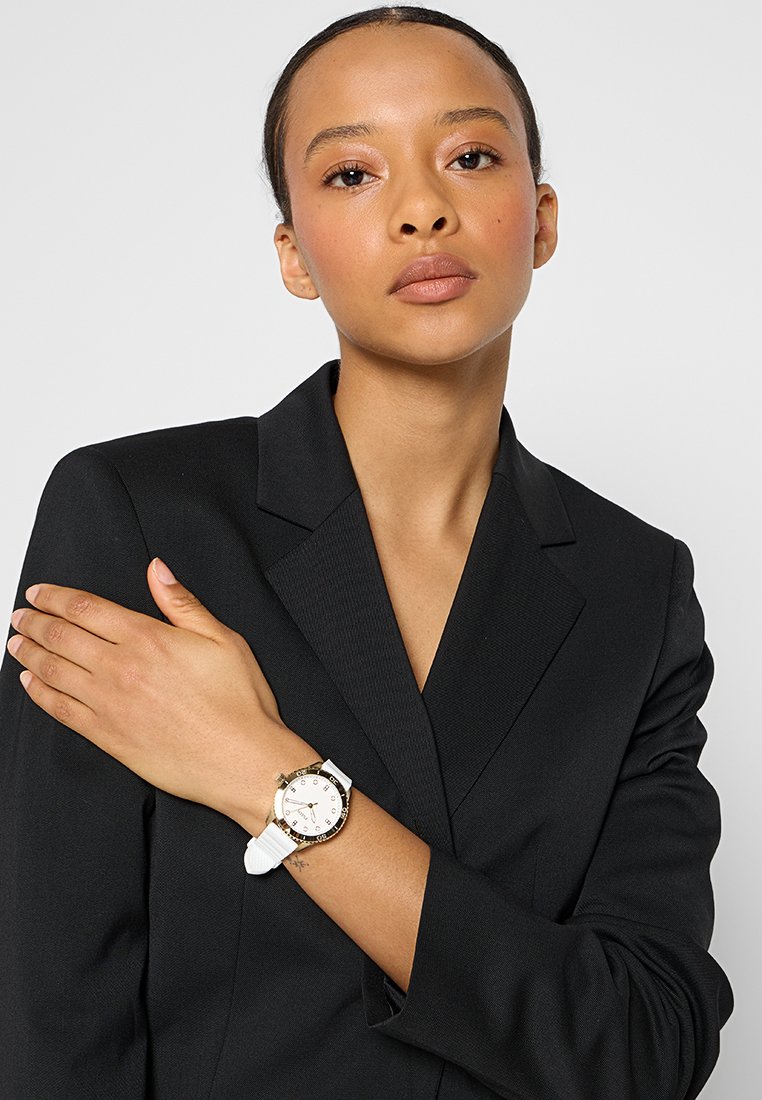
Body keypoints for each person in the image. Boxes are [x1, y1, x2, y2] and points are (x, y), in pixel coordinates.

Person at [0, 6, 734, 1098]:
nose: (423, 208)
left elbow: (643, 1049)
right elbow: (52, 1012)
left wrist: (269, 775)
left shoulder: (636, 587)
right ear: (294, 254)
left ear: (539, 219)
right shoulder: (138, 520)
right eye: (352, 173)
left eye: (470, 156)